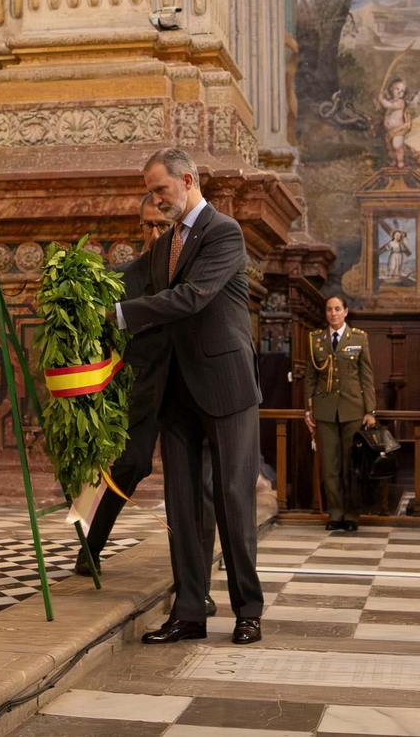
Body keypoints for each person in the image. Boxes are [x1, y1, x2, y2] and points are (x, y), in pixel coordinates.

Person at [113, 147, 263, 646]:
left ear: (189, 180)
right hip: (176, 390)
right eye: (152, 193)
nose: (155, 201)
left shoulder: (224, 232)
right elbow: (126, 282)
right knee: (182, 508)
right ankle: (189, 612)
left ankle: (248, 610)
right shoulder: (165, 243)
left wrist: (121, 315)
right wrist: (73, 288)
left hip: (226, 385)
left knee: (233, 500)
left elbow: (193, 296)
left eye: (161, 190)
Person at [76, 196, 216, 619]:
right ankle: (90, 546)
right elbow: (96, 306)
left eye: (162, 227)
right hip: (141, 385)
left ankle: (197, 586)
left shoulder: (190, 268)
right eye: (147, 227)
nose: (154, 234)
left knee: (198, 485)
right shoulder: (127, 275)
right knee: (129, 465)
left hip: (189, 387)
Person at [304, 295, 377, 532]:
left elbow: (366, 376)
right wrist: (309, 410)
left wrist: (370, 410)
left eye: (337, 309)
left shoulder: (359, 337)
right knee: (330, 466)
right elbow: (311, 378)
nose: (333, 313)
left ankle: (351, 515)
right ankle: (335, 513)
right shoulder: (316, 340)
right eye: (329, 310)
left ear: (345, 312)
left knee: (351, 466)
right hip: (325, 411)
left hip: (353, 410)